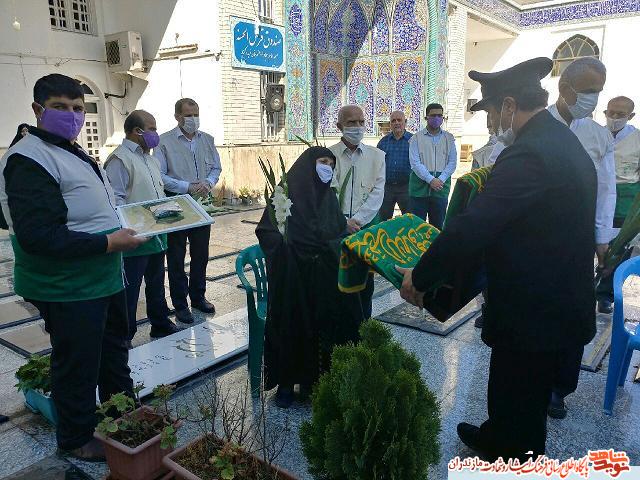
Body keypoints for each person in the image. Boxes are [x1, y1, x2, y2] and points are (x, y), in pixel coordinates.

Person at [397, 58, 597, 461]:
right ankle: (498, 436)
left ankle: (514, 456)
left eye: (490, 113)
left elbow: (476, 224)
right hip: (548, 297)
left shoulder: (530, 153)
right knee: (516, 387)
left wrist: (420, 276)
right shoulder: (560, 140)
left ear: (508, 105)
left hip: (535, 307)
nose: (490, 123)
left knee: (520, 391)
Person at [0, 74, 144, 460]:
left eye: (78, 108)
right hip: (67, 285)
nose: (72, 115)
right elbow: (39, 236)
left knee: (113, 351)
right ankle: (76, 437)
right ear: (38, 110)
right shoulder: (28, 158)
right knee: (78, 362)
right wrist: (109, 242)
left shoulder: (70, 149)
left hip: (103, 277)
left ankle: (121, 416)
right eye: (60, 107)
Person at [256, 147, 363, 408]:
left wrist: (335, 243)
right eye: (322, 162)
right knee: (292, 325)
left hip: (323, 276)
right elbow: (266, 231)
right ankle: (285, 383)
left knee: (324, 324)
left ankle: (312, 381)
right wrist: (286, 249)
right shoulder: (284, 195)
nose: (327, 168)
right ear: (307, 164)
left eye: (331, 164)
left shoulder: (328, 197)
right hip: (292, 277)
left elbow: (336, 231)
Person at [545, 57, 616, 419]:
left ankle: (559, 388)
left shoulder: (598, 136)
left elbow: (606, 189)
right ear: (565, 88)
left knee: (571, 313)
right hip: (535, 239)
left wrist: (602, 237)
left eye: (598, 91)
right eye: (588, 90)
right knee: (537, 310)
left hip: (577, 242)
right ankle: (532, 380)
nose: (593, 98)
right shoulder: (535, 124)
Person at [104, 110, 180, 344]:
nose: (156, 134)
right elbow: (116, 200)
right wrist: (129, 230)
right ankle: (125, 336)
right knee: (130, 288)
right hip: (134, 237)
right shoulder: (119, 159)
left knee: (156, 283)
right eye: (152, 129)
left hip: (157, 233)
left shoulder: (150, 159)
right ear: (137, 131)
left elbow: (157, 192)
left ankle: (160, 323)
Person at [156, 98, 222, 324]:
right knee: (176, 256)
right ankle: (180, 304)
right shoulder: (164, 142)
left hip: (201, 203)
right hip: (175, 203)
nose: (193, 119)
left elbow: (216, 167)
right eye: (188, 115)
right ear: (177, 117)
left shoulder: (207, 139)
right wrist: (186, 187)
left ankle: (198, 297)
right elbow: (160, 175)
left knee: (200, 254)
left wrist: (209, 182)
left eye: (196, 114)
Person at [329, 105, 386, 320]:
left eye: (361, 122)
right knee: (338, 280)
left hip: (365, 228)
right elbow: (327, 193)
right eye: (351, 122)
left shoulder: (377, 156)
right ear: (339, 126)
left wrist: (357, 221)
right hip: (337, 229)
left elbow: (377, 194)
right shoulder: (328, 156)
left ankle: (364, 326)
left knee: (364, 283)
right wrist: (343, 221)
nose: (358, 127)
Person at [596, 97, 640, 317]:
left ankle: (605, 295)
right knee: (593, 244)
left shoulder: (637, 138)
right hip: (597, 197)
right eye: (610, 112)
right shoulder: (596, 134)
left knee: (617, 250)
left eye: (620, 114)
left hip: (625, 203)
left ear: (630, 116)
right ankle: (584, 288)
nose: (613, 118)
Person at [408, 103, 457, 229]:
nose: (437, 118)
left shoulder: (449, 138)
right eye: (433, 115)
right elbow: (415, 163)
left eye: (440, 116)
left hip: (440, 188)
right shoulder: (416, 138)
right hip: (419, 190)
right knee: (417, 227)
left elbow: (452, 162)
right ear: (426, 117)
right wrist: (430, 179)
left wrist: (441, 179)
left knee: (437, 227)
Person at [377, 111, 412, 220]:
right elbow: (377, 164)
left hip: (407, 188)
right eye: (393, 121)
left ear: (405, 122)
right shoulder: (383, 142)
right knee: (384, 220)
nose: (396, 123)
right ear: (390, 124)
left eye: (399, 120)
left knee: (409, 220)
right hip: (387, 188)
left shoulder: (414, 141)